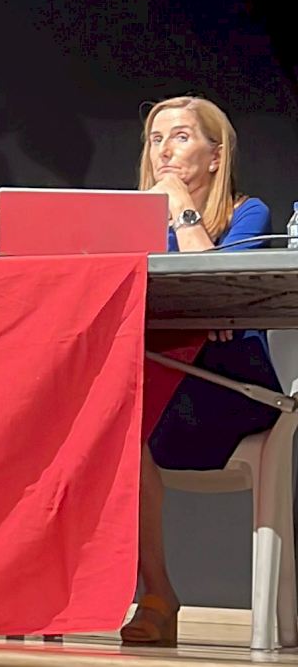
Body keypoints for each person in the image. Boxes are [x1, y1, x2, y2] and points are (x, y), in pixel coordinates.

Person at [122, 96, 276, 646]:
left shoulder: (247, 213)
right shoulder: (129, 223)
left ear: (215, 155)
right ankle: (152, 592)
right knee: (108, 424)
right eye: (156, 139)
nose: (164, 150)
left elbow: (217, 293)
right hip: (155, 387)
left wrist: (182, 211)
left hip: (231, 390)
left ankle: (155, 596)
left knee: (124, 419)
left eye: (181, 136)